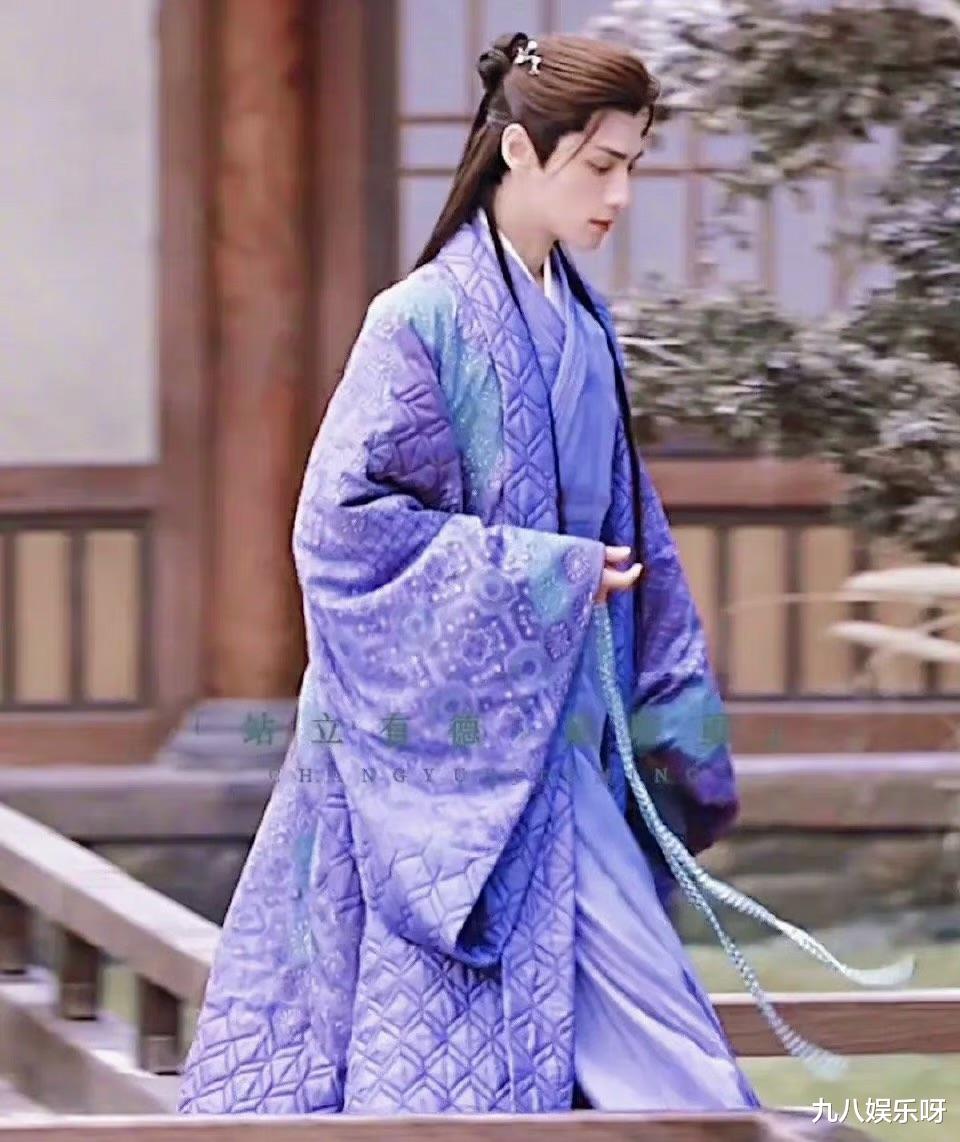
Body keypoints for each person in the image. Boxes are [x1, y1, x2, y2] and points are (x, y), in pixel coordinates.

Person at [177, 32, 910, 1117]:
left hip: (567, 724)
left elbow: (631, 525)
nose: (620, 195)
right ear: (519, 149)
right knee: (603, 1033)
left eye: (633, 166)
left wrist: (662, 694)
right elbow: (340, 529)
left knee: (630, 1019)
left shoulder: (585, 323)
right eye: (600, 165)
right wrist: (542, 578)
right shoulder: (419, 320)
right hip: (450, 743)